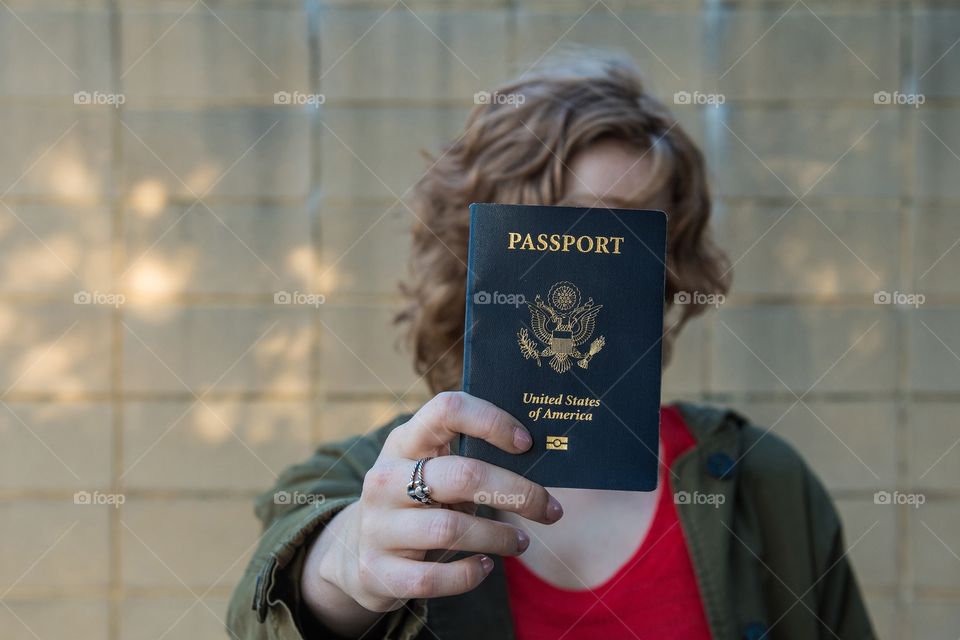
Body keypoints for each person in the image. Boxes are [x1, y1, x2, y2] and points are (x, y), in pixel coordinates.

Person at [227, 55, 875, 640]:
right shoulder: (376, 475)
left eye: (632, 231)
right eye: (553, 226)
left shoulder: (765, 485)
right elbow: (274, 589)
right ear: (477, 253)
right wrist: (344, 566)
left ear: (670, 265)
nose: (591, 262)